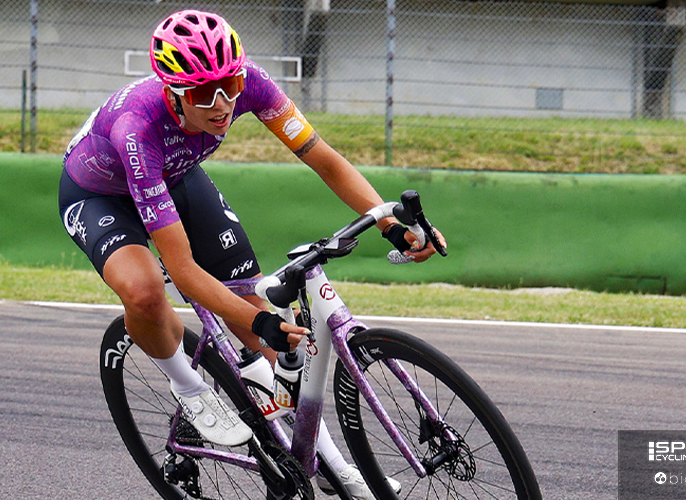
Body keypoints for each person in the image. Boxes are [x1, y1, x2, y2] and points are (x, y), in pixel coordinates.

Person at [59, 9, 444, 498]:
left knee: (261, 322)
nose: (222, 103)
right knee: (146, 291)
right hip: (101, 196)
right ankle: (189, 388)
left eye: (230, 84)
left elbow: (323, 159)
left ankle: (330, 464)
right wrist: (261, 322)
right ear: (174, 91)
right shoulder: (137, 126)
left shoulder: (251, 84)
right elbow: (183, 269)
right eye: (203, 93)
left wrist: (389, 224)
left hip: (175, 177)